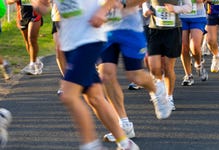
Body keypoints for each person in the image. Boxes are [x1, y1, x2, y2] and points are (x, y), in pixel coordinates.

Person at [30, 0, 140, 149]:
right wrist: (37, 3)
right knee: (94, 97)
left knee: (68, 95)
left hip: (89, 38)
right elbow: (43, 7)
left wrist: (103, 10)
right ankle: (126, 143)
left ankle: (91, 145)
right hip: (70, 43)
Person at [97, 0, 173, 142]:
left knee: (134, 76)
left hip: (129, 29)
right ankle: (123, 123)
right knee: (105, 74)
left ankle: (157, 90)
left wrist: (123, 3)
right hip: (104, 30)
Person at [144, 0, 192, 110]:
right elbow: (144, 2)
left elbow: (188, 7)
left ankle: (169, 97)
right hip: (154, 30)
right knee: (154, 67)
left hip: (172, 31)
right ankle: (160, 88)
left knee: (167, 67)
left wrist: (175, 9)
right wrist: (146, 10)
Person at [6, 0, 43, 75]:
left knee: (31, 39)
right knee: (27, 41)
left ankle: (32, 65)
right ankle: (35, 61)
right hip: (22, 16)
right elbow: (8, 2)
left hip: (35, 15)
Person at [179, 0, 208, 86]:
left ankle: (199, 65)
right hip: (180, 16)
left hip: (197, 16)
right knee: (183, 47)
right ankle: (188, 75)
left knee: (195, 46)